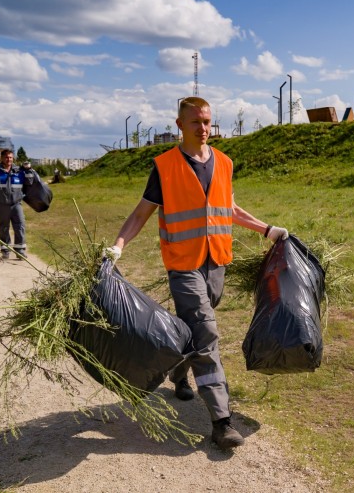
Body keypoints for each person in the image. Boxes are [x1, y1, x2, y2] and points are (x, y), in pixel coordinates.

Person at [106, 96, 288, 450]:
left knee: (193, 329)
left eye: (207, 121)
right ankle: (221, 421)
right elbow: (141, 213)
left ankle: (178, 373)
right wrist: (118, 245)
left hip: (216, 262)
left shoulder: (224, 162)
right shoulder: (165, 166)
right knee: (206, 333)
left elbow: (228, 207)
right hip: (183, 264)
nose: (203, 128)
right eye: (195, 122)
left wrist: (267, 230)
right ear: (180, 125)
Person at [0, 149, 28, 259]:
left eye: (10, 157)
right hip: (1, 204)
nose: (9, 159)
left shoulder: (19, 171)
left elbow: (29, 183)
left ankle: (20, 251)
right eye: (6, 157)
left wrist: (29, 170)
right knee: (4, 227)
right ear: (1, 158)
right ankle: (5, 251)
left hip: (16, 203)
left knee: (20, 225)